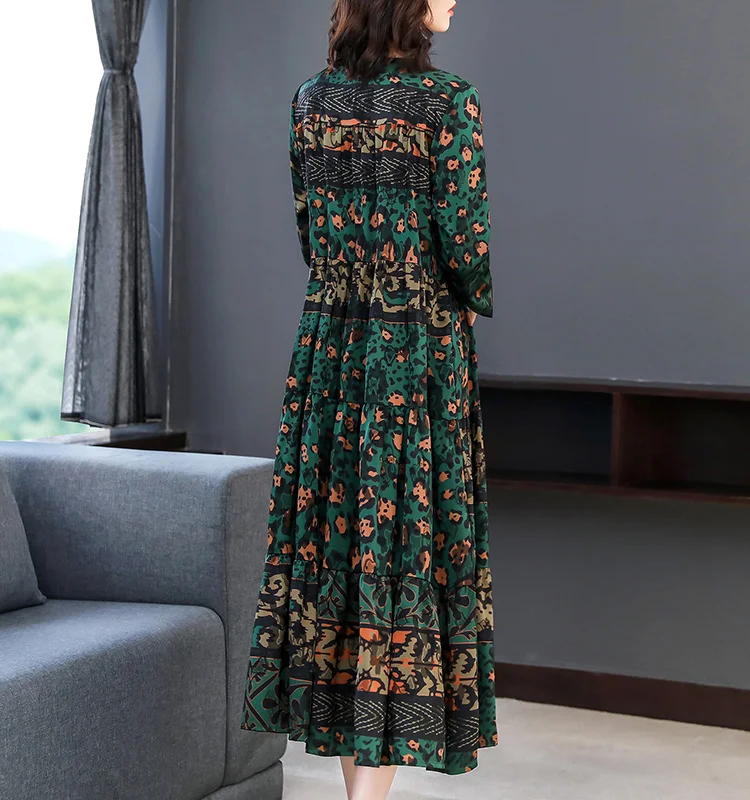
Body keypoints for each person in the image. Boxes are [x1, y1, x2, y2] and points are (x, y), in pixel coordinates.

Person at [240, 1, 497, 797]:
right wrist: (464, 299)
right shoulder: (446, 102)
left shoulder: (310, 100)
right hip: (415, 348)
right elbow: (465, 242)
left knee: (344, 554)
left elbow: (310, 234)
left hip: (330, 345)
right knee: (399, 551)